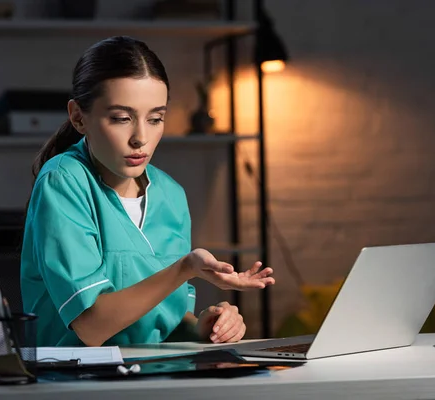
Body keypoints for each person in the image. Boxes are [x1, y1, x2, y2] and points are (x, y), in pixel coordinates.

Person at [20, 36, 275, 347]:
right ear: (78, 117)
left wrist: (204, 328)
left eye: (155, 119)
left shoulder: (171, 195)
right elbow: (91, 326)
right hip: (75, 382)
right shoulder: (63, 181)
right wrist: (185, 268)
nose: (141, 137)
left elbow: (164, 320)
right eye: (121, 118)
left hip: (152, 378)